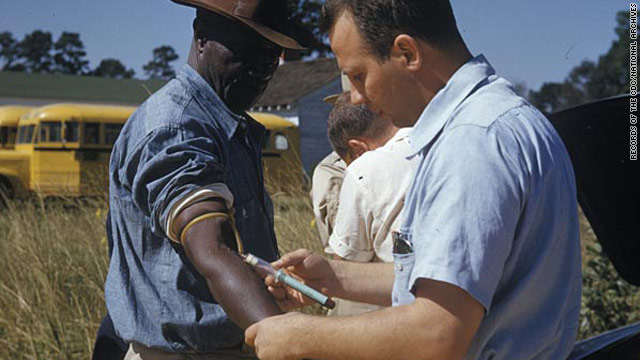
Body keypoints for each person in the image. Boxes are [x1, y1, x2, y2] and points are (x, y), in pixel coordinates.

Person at [245, 1, 582, 359]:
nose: (356, 97)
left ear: (407, 52)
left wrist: (301, 337)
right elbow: (464, 279)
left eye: (359, 75)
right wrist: (333, 276)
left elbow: (438, 333)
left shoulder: (470, 143)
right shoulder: (505, 118)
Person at [102, 0, 308, 358]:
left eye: (271, 56)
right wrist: (291, 342)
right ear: (201, 38)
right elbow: (214, 248)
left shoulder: (224, 122)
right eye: (246, 50)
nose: (261, 68)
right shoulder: (175, 127)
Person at [325, 91, 416, 316]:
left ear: (357, 149)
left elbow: (346, 267)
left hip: (408, 311)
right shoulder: (446, 140)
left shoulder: (365, 168)